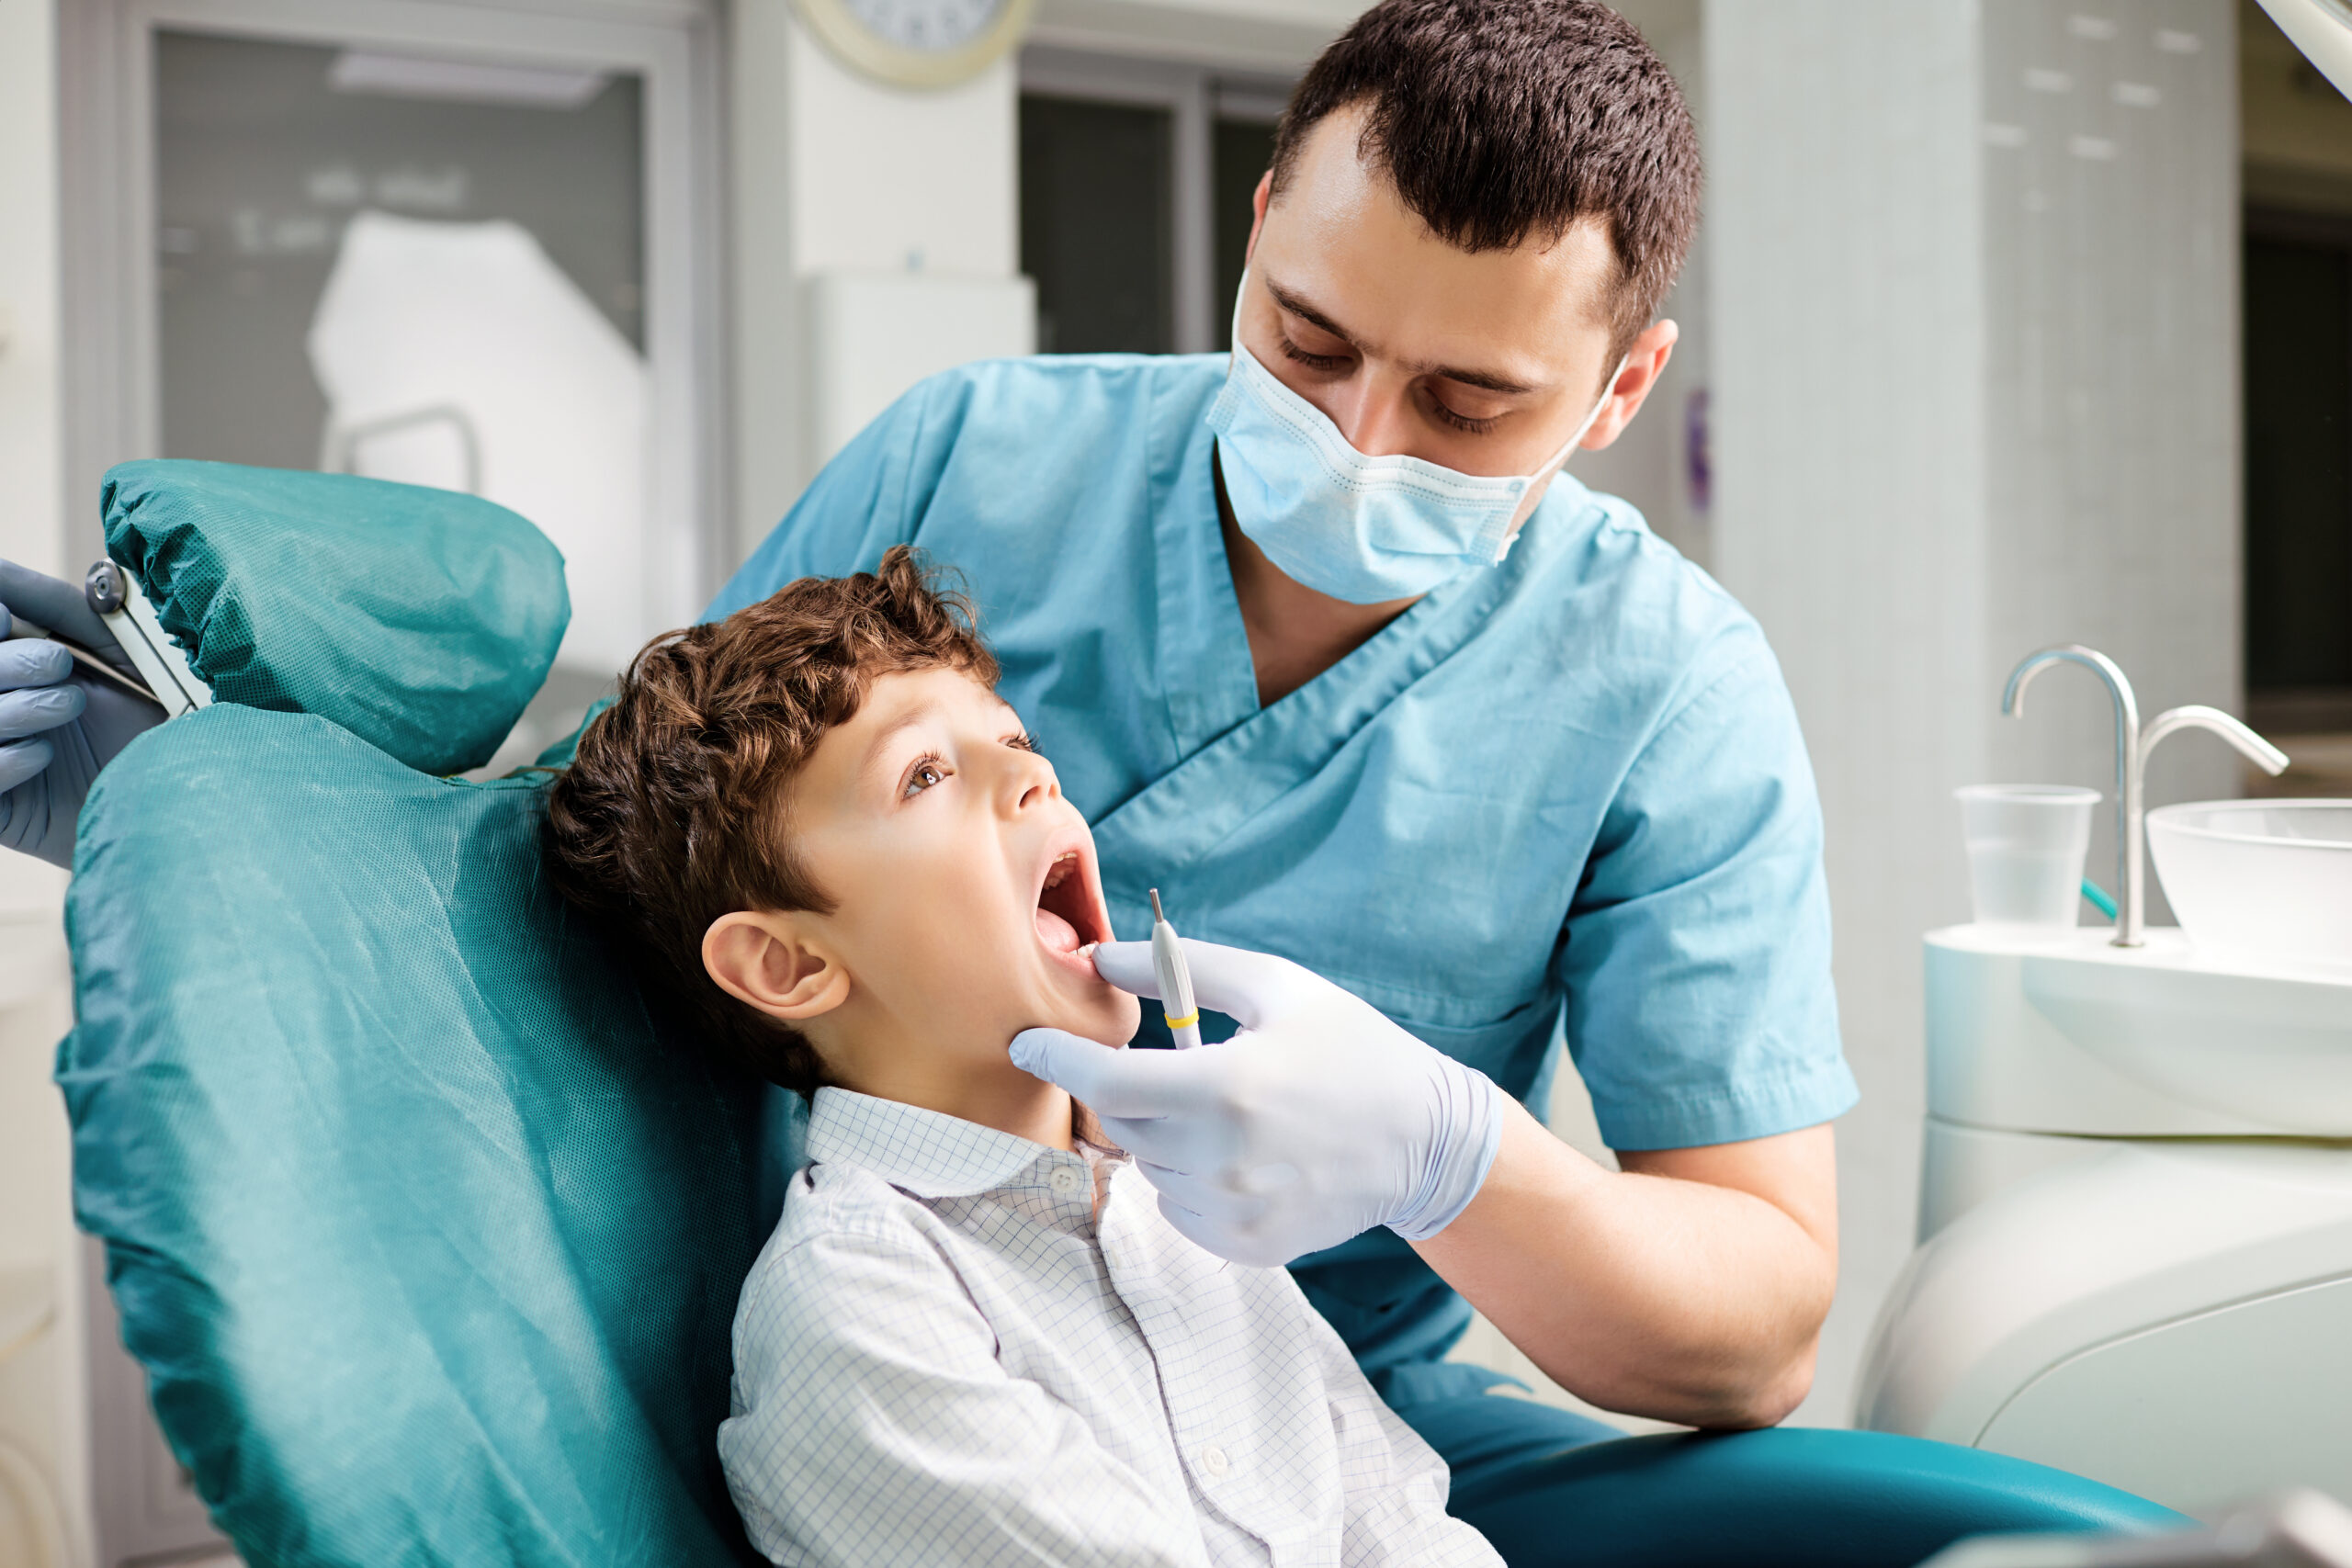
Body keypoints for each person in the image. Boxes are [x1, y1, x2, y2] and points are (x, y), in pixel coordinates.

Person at [0, 0, 1856, 1540]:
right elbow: (642, 838)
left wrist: (1452, 1161)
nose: (1353, 440)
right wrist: (213, 835)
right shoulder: (977, 456)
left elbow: (1751, 1324)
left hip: (1328, 1379)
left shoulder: (1666, 687)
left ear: (1617, 393)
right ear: (1262, 217)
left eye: (1466, 405)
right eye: (1305, 340)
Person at [540, 549, 1504, 1567]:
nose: (1032, 774)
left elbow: (1403, 1523)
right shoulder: (862, 1308)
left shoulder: (1185, 1212)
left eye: (1013, 738)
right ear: (786, 963)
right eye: (925, 774)